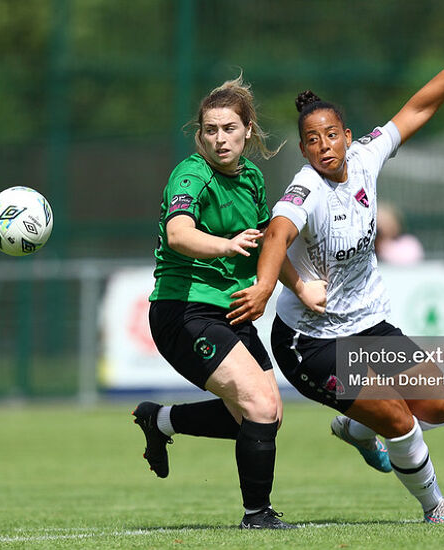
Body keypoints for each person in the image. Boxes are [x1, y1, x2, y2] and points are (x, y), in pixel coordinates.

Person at [228, 15, 444, 523]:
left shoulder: (369, 157)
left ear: (348, 136)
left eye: (331, 134)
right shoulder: (304, 190)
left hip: (369, 324)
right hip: (311, 341)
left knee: (440, 406)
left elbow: (417, 109)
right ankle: (435, 509)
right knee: (398, 420)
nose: (324, 145)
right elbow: (277, 234)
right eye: (312, 139)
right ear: (304, 148)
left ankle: (355, 429)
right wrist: (270, 287)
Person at [132, 75, 325, 530]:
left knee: (265, 417)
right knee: (260, 406)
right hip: (184, 311)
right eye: (211, 130)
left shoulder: (253, 177)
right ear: (200, 134)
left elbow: (268, 246)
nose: (219, 139)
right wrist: (225, 245)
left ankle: (160, 421)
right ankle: (257, 517)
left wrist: (301, 287)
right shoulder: (191, 174)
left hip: (231, 310)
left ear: (248, 130)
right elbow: (179, 234)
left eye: (229, 129)